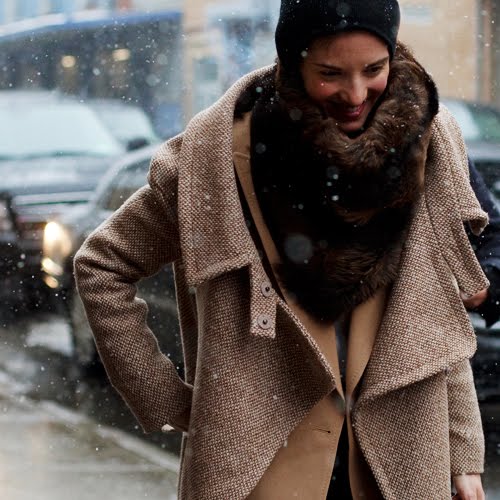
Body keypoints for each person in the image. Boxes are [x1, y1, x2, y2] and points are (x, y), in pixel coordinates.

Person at [74, 1, 488, 498]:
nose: (356, 95)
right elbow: (102, 264)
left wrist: (463, 451)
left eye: (374, 70)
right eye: (331, 73)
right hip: (258, 468)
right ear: (292, 63)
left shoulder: (427, 145)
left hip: (403, 462)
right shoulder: (215, 159)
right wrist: (164, 397)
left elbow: (435, 318)